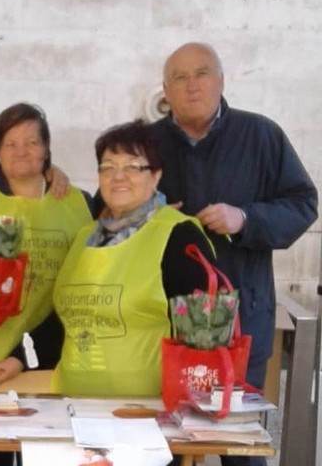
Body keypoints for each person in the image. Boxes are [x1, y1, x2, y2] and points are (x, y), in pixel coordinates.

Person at [149, 42, 318, 466]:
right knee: (158, 446)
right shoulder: (145, 143)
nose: (192, 86)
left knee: (237, 446)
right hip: (160, 324)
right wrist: (146, 216)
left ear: (222, 80)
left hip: (240, 322)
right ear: (165, 90)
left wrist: (245, 218)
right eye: (180, 78)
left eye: (202, 73)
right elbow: (105, 206)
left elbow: (303, 204)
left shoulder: (261, 135)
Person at [0, 121, 218, 399]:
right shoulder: (86, 237)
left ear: (155, 175)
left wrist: (192, 414)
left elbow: (204, 338)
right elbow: (68, 319)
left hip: (148, 414)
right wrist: (19, 358)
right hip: (71, 405)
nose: (118, 176)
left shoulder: (179, 236)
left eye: (133, 166)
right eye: (108, 167)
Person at [0, 103, 93, 369]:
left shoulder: (80, 202)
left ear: (46, 149)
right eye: (10, 144)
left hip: (55, 345)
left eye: (32, 142)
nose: (21, 151)